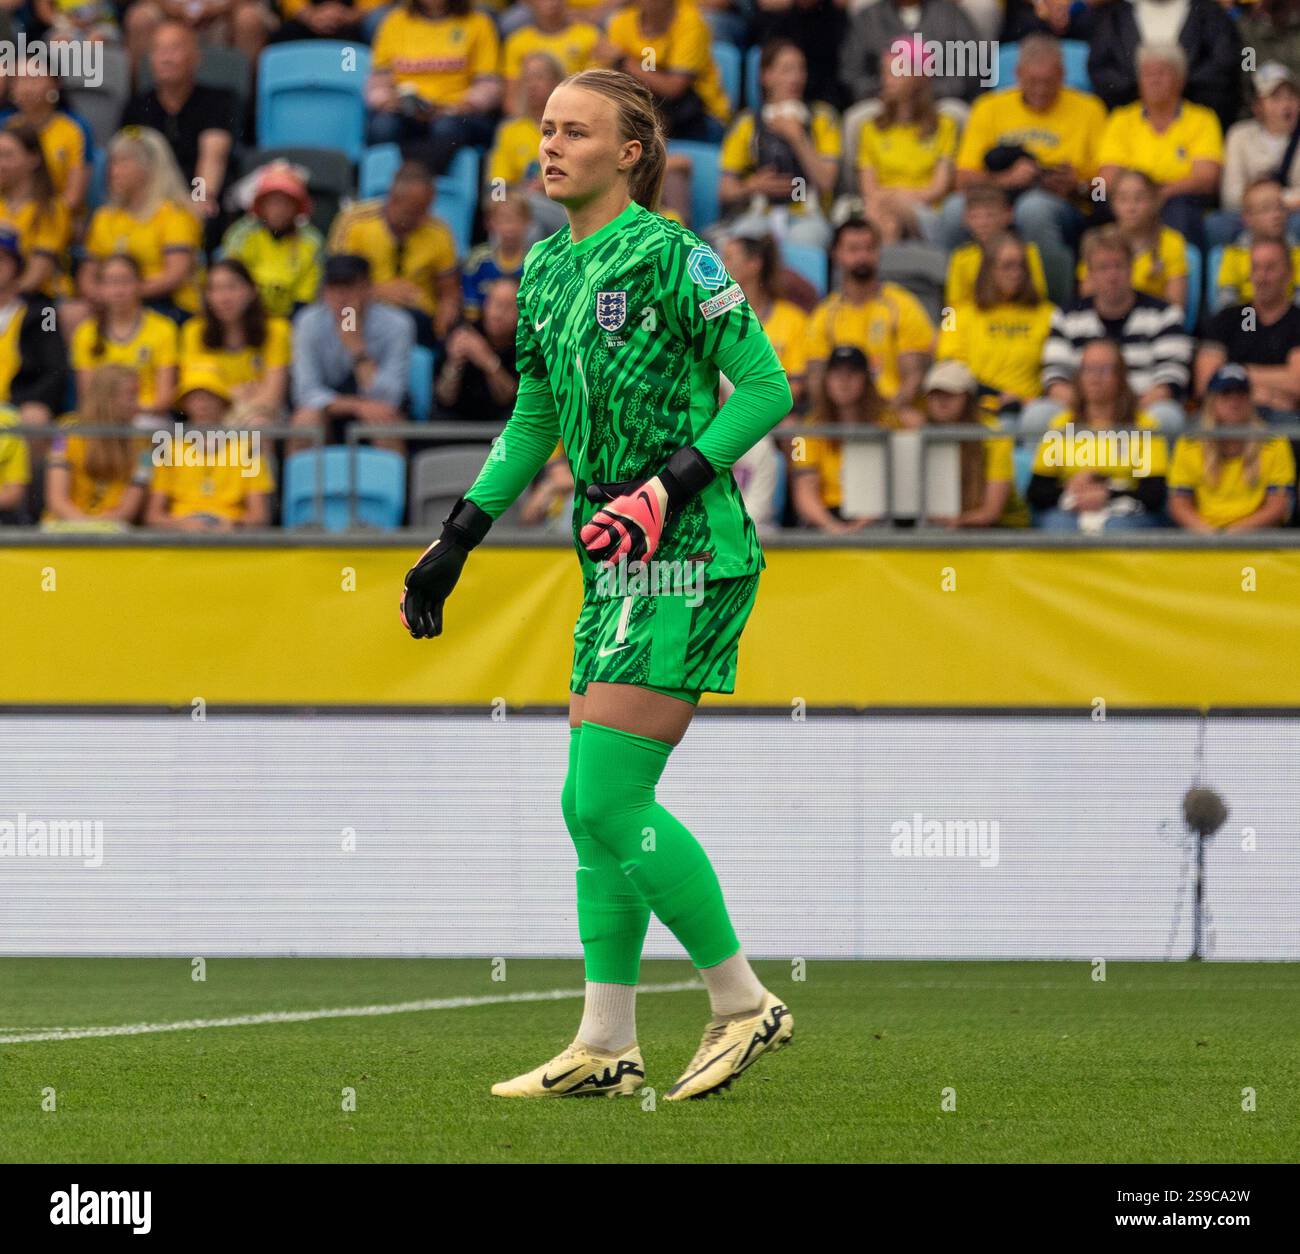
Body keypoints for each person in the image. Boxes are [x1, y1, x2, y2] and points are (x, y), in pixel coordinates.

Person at [399, 68, 795, 1101]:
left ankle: (743, 1001)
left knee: (606, 796)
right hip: (610, 557)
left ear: (632, 151)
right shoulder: (540, 270)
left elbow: (764, 389)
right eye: (543, 128)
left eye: (576, 131)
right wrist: (459, 535)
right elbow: (534, 416)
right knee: (588, 809)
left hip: (686, 547)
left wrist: (667, 490)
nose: (551, 144)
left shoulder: (675, 255)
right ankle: (605, 1042)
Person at [939, 34, 1105, 304]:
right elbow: (963, 179)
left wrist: (1079, 186)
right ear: (1017, 75)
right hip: (997, 196)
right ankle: (953, 303)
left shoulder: (1090, 110)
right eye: (1032, 81)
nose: (1040, 89)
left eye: (1048, 82)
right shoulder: (989, 107)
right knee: (954, 210)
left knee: (1034, 209)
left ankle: (1049, 304)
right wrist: (1006, 179)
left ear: (1062, 75)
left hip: (1064, 204)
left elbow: (1105, 189)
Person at [1033, 227, 1191, 436]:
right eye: (1103, 267)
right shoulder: (1066, 316)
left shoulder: (1165, 314)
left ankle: (1151, 469)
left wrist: (1123, 413)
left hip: (1141, 410)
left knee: (1167, 416)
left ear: (1132, 268)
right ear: (1088, 273)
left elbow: (1172, 378)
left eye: (1119, 266)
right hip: (1082, 411)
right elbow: (1054, 377)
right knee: (1036, 417)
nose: (1112, 275)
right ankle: (1049, 470)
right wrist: (1093, 413)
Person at [1026, 338, 1169, 530]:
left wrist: (1108, 494)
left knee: (1117, 528)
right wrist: (1071, 488)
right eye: (1088, 369)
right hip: (1070, 507)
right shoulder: (1061, 425)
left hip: (1123, 512)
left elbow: (1154, 494)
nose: (1095, 378)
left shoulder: (1143, 426)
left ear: (1120, 376)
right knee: (1058, 527)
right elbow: (1037, 491)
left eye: (1104, 369)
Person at [1095, 43, 1223, 251]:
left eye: (1162, 73)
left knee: (1181, 212)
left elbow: (1206, 178)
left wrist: (1158, 194)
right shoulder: (1121, 119)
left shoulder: (1202, 119)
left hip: (1177, 199)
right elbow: (1107, 177)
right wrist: (1135, 196)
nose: (1154, 80)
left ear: (1180, 80)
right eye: (1147, 74)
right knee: (1100, 207)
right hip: (1129, 197)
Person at [806, 216, 935, 416]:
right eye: (854, 249)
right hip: (842, 419)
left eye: (869, 248)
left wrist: (883, 417)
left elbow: (914, 376)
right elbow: (816, 381)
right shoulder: (824, 314)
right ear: (837, 254)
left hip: (891, 417)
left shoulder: (903, 305)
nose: (863, 256)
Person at [717, 39, 839, 248]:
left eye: (801, 69)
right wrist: (752, 186)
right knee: (741, 245)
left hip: (807, 215)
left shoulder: (822, 117)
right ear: (766, 76)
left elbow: (826, 182)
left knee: (803, 241)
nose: (796, 78)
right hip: (758, 213)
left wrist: (797, 138)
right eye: (786, 70)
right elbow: (725, 190)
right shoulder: (747, 123)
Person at [327, 161, 460, 349]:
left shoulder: (439, 231)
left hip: (419, 319)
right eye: (416, 210)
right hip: (363, 312)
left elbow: (450, 291)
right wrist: (378, 291)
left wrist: (448, 310)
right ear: (393, 199)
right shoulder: (355, 222)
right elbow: (335, 285)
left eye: (427, 208)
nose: (423, 217)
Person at [291, 253, 414, 452]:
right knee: (305, 420)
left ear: (368, 289)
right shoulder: (308, 322)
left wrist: (356, 347)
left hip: (377, 409)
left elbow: (389, 396)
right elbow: (306, 392)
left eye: (348, 287)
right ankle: (312, 483)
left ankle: (388, 482)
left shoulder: (397, 325)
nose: (340, 297)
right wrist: (357, 406)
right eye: (333, 288)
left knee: (384, 419)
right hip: (330, 410)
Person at [365, 0, 503, 173]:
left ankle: (420, 184)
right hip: (406, 110)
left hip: (456, 112)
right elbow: (378, 79)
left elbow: (489, 83)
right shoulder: (395, 21)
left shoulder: (478, 22)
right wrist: (387, 101)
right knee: (383, 127)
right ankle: (388, 189)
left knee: (446, 128)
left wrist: (465, 105)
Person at [80, 127, 203, 321]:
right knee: (72, 314)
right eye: (112, 163)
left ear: (149, 167)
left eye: (123, 163)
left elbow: (175, 275)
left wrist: (125, 294)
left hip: (166, 304)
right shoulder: (104, 215)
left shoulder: (175, 214)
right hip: (114, 303)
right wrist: (99, 293)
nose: (114, 171)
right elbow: (88, 271)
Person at [119, 21, 237, 221]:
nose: (166, 58)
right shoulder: (137, 106)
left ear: (196, 58)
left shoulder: (217, 101)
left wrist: (199, 199)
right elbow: (130, 157)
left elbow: (212, 157)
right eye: (158, 50)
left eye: (174, 49)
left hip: (194, 198)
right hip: (148, 201)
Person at [938, 232, 1057, 423]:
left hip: (1032, 413)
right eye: (1007, 266)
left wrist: (1025, 402)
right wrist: (997, 395)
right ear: (988, 270)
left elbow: (1057, 370)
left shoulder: (1049, 314)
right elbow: (950, 368)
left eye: (1021, 266)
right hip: (977, 410)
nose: (1016, 273)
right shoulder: (956, 315)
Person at [1167, 365, 1296, 533]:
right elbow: (1179, 502)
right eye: (1226, 394)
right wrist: (1210, 535)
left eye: (1241, 394)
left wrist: (1232, 534)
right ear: (1212, 400)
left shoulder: (1274, 442)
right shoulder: (1190, 443)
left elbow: (1279, 505)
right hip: (1203, 537)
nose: (1234, 402)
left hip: (1257, 538)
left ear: (1250, 399)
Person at [145, 364, 274, 531]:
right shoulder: (169, 448)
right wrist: (180, 524)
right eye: (195, 398)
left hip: (231, 537)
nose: (202, 404)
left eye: (210, 397)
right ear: (185, 404)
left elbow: (259, 516)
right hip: (180, 535)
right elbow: (153, 515)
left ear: (223, 402)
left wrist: (233, 525)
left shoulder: (247, 447)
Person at [790, 343, 902, 531]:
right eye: (836, 374)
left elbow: (899, 483)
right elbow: (804, 489)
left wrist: (863, 523)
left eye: (852, 373)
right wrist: (832, 526)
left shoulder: (887, 423)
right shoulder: (811, 426)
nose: (844, 381)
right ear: (826, 380)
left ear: (866, 380)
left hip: (879, 515)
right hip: (828, 515)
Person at [855, 44, 958, 245]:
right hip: (880, 209)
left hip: (927, 212)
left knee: (877, 216)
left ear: (919, 77)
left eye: (896, 71)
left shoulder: (945, 126)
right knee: (887, 223)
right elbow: (868, 189)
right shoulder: (869, 128)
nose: (887, 79)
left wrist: (898, 198)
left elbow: (938, 188)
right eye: (885, 72)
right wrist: (892, 201)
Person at [1087, 0, 1241, 131]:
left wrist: (1178, 84)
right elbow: (1100, 69)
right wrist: (1141, 86)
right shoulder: (1114, 16)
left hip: (1197, 121)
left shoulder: (1209, 13)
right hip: (1129, 125)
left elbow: (1224, 64)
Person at [593, 0, 730, 141]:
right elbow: (609, 80)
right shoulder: (622, 22)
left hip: (701, 116)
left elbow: (673, 89)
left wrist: (624, 60)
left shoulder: (691, 23)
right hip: (646, 110)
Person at [1195, 239, 1300, 422]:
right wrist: (1262, 396)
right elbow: (1205, 383)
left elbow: (1296, 382)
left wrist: (1235, 374)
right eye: (1255, 268)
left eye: (1270, 268)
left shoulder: (1297, 320)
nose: (1261, 277)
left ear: (1289, 273)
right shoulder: (1228, 319)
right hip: (1229, 419)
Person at [919, 358, 1028, 528]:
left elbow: (991, 513)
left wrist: (956, 522)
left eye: (950, 393)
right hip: (944, 527)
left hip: (1002, 531)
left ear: (968, 398)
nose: (941, 401)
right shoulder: (921, 435)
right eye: (935, 394)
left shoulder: (994, 435)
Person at [181, 259, 290, 424]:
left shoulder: (276, 329)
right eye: (215, 289)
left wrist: (224, 396)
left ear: (252, 290)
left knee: (258, 423)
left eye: (232, 287)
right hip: (210, 416)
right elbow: (198, 396)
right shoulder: (194, 331)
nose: (224, 298)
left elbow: (272, 396)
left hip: (260, 413)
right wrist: (236, 394)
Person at [42, 365, 151, 528]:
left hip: (114, 530)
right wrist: (86, 527)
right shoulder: (65, 430)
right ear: (107, 398)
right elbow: (57, 500)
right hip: (63, 526)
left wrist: (100, 528)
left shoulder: (145, 444)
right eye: (131, 396)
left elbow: (128, 509)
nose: (138, 404)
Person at [71, 254, 178, 419]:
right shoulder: (85, 333)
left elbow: (164, 399)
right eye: (111, 282)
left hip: (147, 416)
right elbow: (87, 394)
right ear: (100, 288)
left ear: (140, 284)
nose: (118, 290)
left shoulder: (163, 328)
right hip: (101, 417)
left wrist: (132, 410)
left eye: (125, 281)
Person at [219, 162, 324, 319]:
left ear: (297, 207)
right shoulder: (241, 235)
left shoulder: (311, 241)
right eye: (272, 202)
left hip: (293, 320)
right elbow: (230, 282)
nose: (278, 210)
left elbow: (307, 298)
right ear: (260, 206)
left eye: (286, 203)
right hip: (245, 317)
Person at [487, 50, 569, 242]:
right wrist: (503, 202)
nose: (532, 85)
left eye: (540, 77)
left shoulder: (571, 128)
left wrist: (549, 185)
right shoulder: (509, 130)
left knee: (525, 215)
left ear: (557, 82)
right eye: (527, 78)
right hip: (522, 207)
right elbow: (497, 181)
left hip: (564, 208)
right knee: (517, 223)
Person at [720, 231, 808, 410]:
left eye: (728, 258)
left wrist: (754, 413)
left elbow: (796, 385)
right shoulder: (718, 319)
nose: (721, 266)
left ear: (754, 264)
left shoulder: (793, 319)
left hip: (770, 416)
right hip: (726, 417)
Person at [1216, 63, 1300, 248]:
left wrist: (1274, 205)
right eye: (1276, 98)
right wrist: (1265, 207)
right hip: (1247, 215)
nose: (1286, 105)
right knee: (1218, 225)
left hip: (1291, 216)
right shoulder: (1239, 135)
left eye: (1291, 97)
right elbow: (1230, 195)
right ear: (1258, 106)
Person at [840, 0, 983, 106]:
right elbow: (851, 71)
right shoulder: (868, 18)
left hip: (940, 101)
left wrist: (929, 92)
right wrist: (881, 91)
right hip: (880, 101)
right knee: (856, 118)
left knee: (956, 112)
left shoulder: (950, 14)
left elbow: (970, 66)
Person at [1080, 168, 1188, 308]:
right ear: (1112, 203)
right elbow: (1087, 296)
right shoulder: (1098, 240)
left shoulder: (1172, 242)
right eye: (1123, 199)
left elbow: (1176, 305)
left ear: (1156, 201)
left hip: (1154, 323)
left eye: (1139, 198)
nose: (1131, 207)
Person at [3, 58, 92, 216]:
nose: (26, 88)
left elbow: (73, 196)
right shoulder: (6, 126)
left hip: (56, 219)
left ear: (55, 83)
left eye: (34, 79)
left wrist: (43, 220)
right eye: (19, 80)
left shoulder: (74, 128)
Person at [0, 227, 68, 429]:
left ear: (17, 266)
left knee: (35, 418)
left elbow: (54, 371)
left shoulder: (44, 312)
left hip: (18, 404)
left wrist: (19, 401)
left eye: (2, 259)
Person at [943, 185, 1048, 309]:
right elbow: (952, 306)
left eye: (990, 215)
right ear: (965, 219)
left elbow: (1038, 296)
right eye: (974, 217)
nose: (982, 223)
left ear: (1008, 215)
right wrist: (949, 328)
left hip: (1021, 321)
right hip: (976, 324)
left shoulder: (1027, 252)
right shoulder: (961, 257)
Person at [434, 277, 520, 423]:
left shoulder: (527, 346)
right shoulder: (464, 332)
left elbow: (510, 399)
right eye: (494, 303)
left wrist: (488, 362)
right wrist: (454, 363)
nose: (498, 314)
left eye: (507, 307)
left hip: (503, 427)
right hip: (457, 423)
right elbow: (444, 397)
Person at [0, 124, 72, 299]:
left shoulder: (51, 209)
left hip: (41, 299)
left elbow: (37, 275)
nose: (0, 163)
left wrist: (5, 300)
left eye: (7, 155)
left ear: (33, 158)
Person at [1212, 179, 1300, 312]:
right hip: (1247, 318)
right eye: (1266, 209)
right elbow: (1226, 302)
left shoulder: (1297, 253)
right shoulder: (1233, 254)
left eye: (1281, 207)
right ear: (1247, 218)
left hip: (1289, 321)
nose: (1277, 215)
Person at [499, 0, 600, 93]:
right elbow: (512, 97)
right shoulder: (516, 42)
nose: (552, 2)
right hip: (532, 111)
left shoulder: (590, 35)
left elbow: (596, 86)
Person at [461, 192, 528, 320]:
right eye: (503, 220)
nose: (510, 227)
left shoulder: (536, 262)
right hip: (481, 324)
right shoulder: (478, 260)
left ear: (527, 222)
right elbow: (469, 301)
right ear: (490, 223)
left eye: (516, 219)